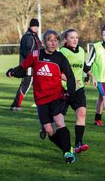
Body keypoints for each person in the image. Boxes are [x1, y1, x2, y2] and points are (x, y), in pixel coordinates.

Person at [6, 30, 77, 163]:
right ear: (44, 42)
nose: (53, 43)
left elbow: (70, 76)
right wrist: (13, 71)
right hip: (41, 99)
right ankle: (67, 148)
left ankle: (68, 153)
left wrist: (71, 93)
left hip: (57, 96)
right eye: (50, 40)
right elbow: (23, 68)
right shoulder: (35, 55)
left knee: (59, 121)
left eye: (55, 40)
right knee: (49, 130)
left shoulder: (60, 57)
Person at [59, 28, 95, 153]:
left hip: (78, 89)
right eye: (71, 37)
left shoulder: (80, 50)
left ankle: (78, 143)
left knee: (82, 113)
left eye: (76, 37)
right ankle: (46, 127)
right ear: (65, 40)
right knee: (58, 120)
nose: (74, 40)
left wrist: (91, 75)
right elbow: (57, 72)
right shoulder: (62, 52)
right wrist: (70, 81)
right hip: (63, 89)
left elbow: (83, 65)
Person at [10, 18, 41, 111]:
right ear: (31, 26)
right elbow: (29, 52)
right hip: (29, 66)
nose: (36, 28)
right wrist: (32, 62)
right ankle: (16, 106)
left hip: (34, 65)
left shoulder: (34, 36)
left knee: (38, 84)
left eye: (37, 26)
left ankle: (39, 103)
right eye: (34, 26)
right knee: (25, 85)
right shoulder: (28, 37)